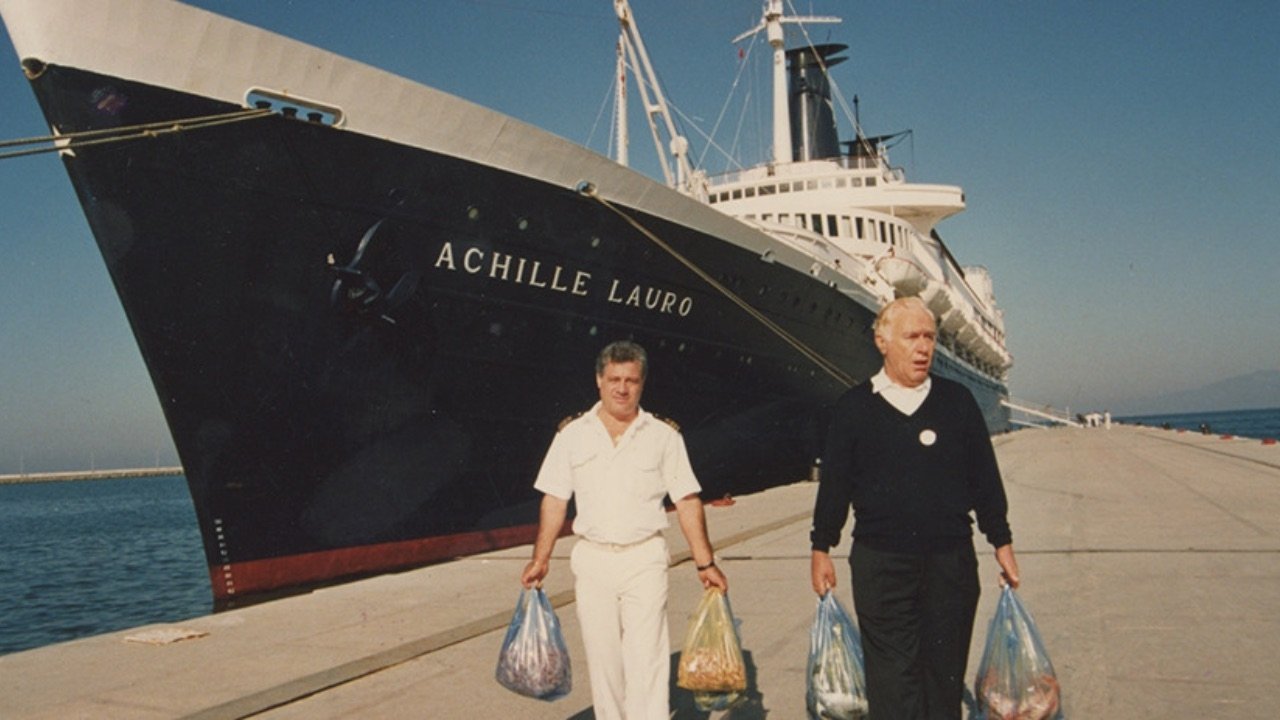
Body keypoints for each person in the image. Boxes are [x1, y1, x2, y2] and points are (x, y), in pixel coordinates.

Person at [809, 296, 1020, 720]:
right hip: (881, 563)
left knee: (943, 678)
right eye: (912, 336)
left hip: (950, 562)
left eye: (930, 337)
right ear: (882, 341)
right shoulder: (854, 408)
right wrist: (821, 547)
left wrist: (1001, 540)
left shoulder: (956, 402)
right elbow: (834, 486)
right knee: (892, 679)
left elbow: (984, 477)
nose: (923, 347)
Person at [521, 340, 728, 720]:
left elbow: (686, 500)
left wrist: (705, 563)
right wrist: (541, 559)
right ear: (599, 380)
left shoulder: (664, 436)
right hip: (594, 559)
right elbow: (554, 499)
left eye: (630, 380)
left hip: (644, 557)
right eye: (614, 379)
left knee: (646, 657)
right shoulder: (572, 435)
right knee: (604, 661)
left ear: (642, 383)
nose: (622, 388)